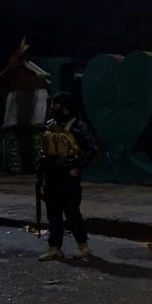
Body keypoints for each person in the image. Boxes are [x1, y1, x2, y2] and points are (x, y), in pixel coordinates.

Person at [37, 92, 98, 262]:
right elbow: (45, 149)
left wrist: (78, 167)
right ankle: (55, 248)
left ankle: (83, 246)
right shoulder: (51, 124)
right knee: (53, 214)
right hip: (52, 175)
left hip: (68, 176)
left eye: (55, 104)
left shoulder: (78, 125)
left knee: (72, 213)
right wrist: (41, 170)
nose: (52, 107)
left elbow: (91, 148)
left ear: (64, 106)